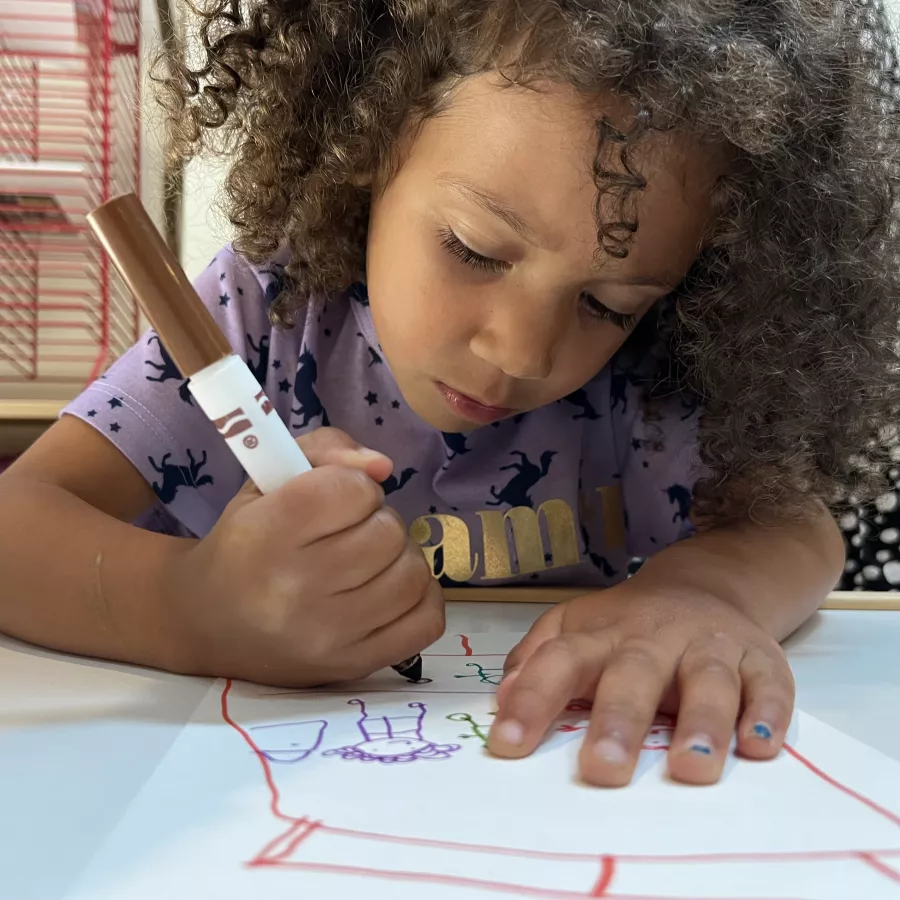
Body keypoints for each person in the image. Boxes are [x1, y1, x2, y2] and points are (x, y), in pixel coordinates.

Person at [0, 0, 898, 789]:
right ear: (370, 146)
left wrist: (703, 594)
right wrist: (192, 610)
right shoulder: (262, 316)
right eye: (474, 249)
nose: (521, 351)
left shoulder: (653, 380)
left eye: (607, 304)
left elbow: (796, 528)